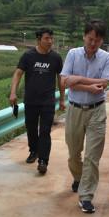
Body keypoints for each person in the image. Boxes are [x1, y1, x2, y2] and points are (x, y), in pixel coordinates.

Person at [60, 20, 109, 214]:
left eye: (97, 40)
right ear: (84, 36)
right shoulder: (73, 54)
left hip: (96, 111)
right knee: (74, 153)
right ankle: (79, 177)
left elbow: (105, 82)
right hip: (75, 109)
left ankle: (86, 196)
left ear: (102, 41)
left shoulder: (107, 57)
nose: (93, 43)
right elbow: (64, 81)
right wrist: (89, 86)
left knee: (92, 156)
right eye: (90, 39)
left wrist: (78, 79)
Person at [9, 28, 65, 175]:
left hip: (48, 101)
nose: (50, 41)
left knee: (45, 131)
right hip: (31, 100)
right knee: (31, 128)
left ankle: (43, 161)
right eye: (47, 38)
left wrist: (62, 99)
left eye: (51, 38)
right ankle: (34, 151)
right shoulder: (28, 56)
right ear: (38, 40)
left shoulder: (56, 58)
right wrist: (13, 92)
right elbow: (18, 74)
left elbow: (61, 78)